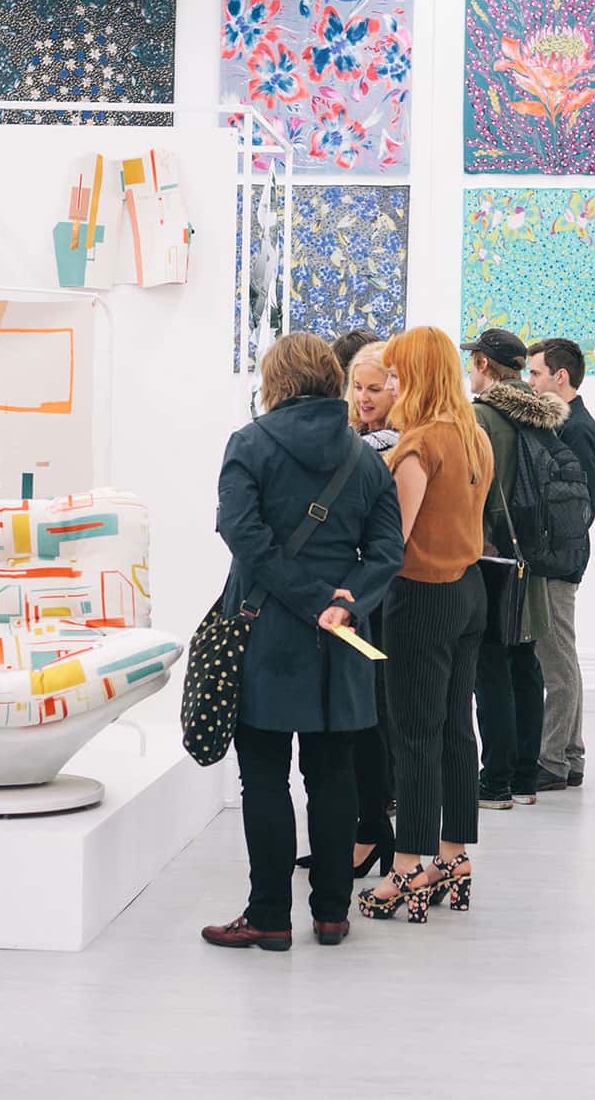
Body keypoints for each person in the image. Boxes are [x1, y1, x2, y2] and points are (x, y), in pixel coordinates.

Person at [202, 335, 405, 952]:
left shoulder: (251, 444)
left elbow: (241, 532)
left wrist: (307, 597)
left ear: (275, 380)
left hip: (265, 629)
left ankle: (268, 917)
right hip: (340, 638)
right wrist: (343, 601)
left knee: (263, 777)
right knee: (333, 774)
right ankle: (332, 915)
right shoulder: (365, 456)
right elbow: (389, 551)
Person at [358, 327, 493, 924]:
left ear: (416, 375)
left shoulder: (418, 446)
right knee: (457, 732)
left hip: (423, 597)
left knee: (414, 736)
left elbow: (395, 541)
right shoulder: (475, 436)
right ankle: (454, 857)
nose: (388, 384)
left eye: (395, 374)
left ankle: (407, 866)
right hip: (469, 591)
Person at [296, 338, 401, 877]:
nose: (363, 397)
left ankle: (369, 832)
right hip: (357, 596)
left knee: (368, 720)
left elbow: (385, 536)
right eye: (357, 387)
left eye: (375, 388)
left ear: (396, 389)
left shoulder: (386, 448)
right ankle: (362, 831)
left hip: (370, 596)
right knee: (358, 720)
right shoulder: (360, 443)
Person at [462, 328, 569, 810]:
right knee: (525, 662)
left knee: (491, 666)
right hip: (534, 557)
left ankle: (495, 782)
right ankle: (526, 778)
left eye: (473, 362)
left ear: (485, 365)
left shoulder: (481, 417)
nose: (469, 371)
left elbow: (471, 490)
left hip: (491, 555)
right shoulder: (542, 416)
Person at [527, 338, 595, 790]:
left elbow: (579, 505)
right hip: (561, 554)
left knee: (555, 661)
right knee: (561, 656)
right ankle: (570, 755)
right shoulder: (569, 424)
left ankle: (553, 760)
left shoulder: (576, 429)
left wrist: (551, 549)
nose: (530, 383)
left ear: (560, 376)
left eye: (536, 374)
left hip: (560, 557)